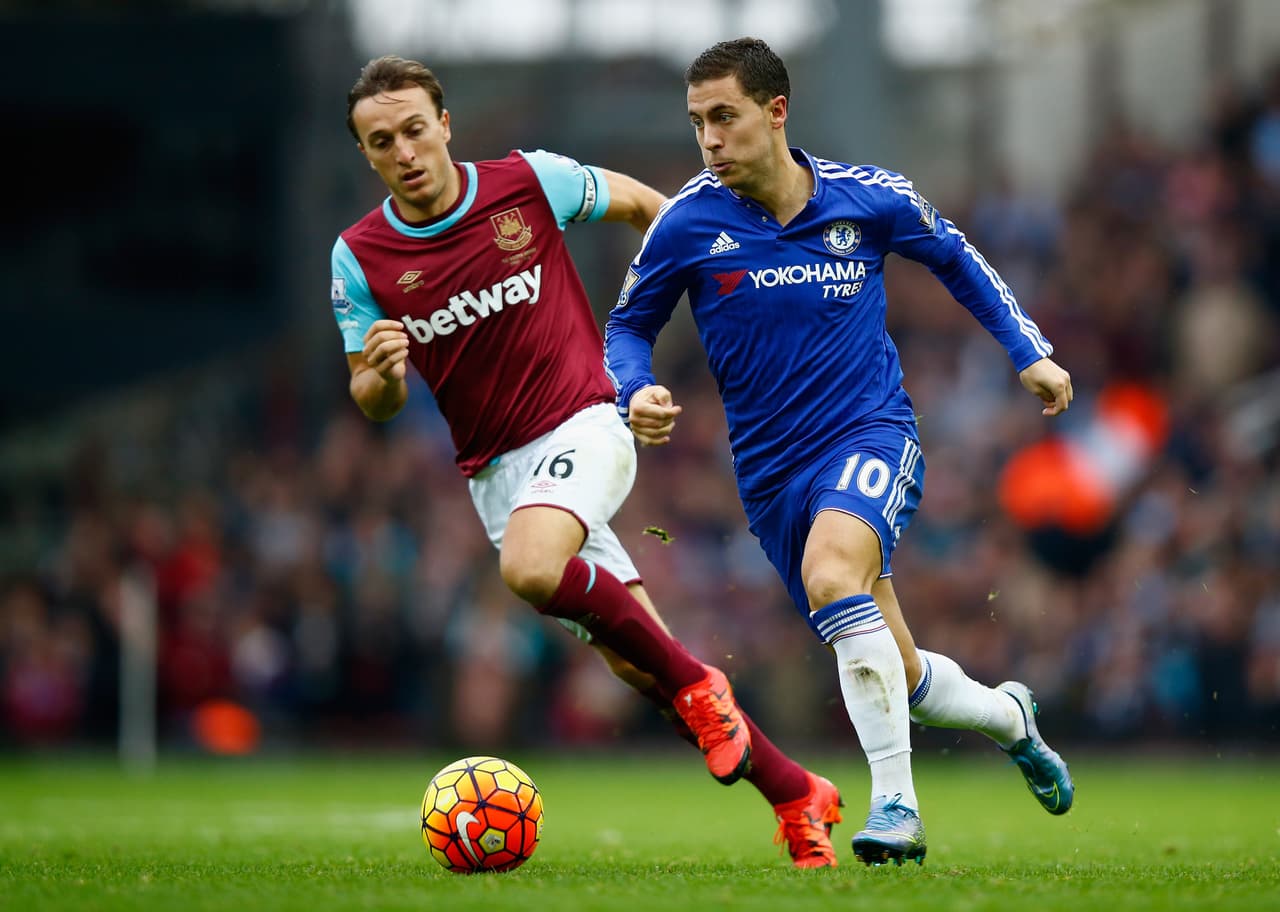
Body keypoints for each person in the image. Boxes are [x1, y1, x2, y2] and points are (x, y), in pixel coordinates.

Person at [329, 54, 843, 868]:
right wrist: (382, 374)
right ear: (366, 152)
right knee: (645, 667)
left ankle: (704, 686)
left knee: (533, 571)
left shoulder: (528, 182)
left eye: (416, 130)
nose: (404, 152)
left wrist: (716, 292)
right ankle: (795, 793)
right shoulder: (358, 258)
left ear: (446, 125)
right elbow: (371, 396)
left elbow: (647, 206)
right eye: (382, 140)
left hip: (584, 424)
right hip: (496, 476)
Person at [603, 37, 1075, 867]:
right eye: (697, 123)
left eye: (725, 117)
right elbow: (627, 326)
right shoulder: (686, 222)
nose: (708, 140)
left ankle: (896, 806)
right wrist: (633, 389)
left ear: (775, 112)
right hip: (771, 479)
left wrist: (1027, 351)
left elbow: (957, 257)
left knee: (833, 578)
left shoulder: (866, 199)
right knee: (904, 675)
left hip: (869, 435)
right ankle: (1012, 718)